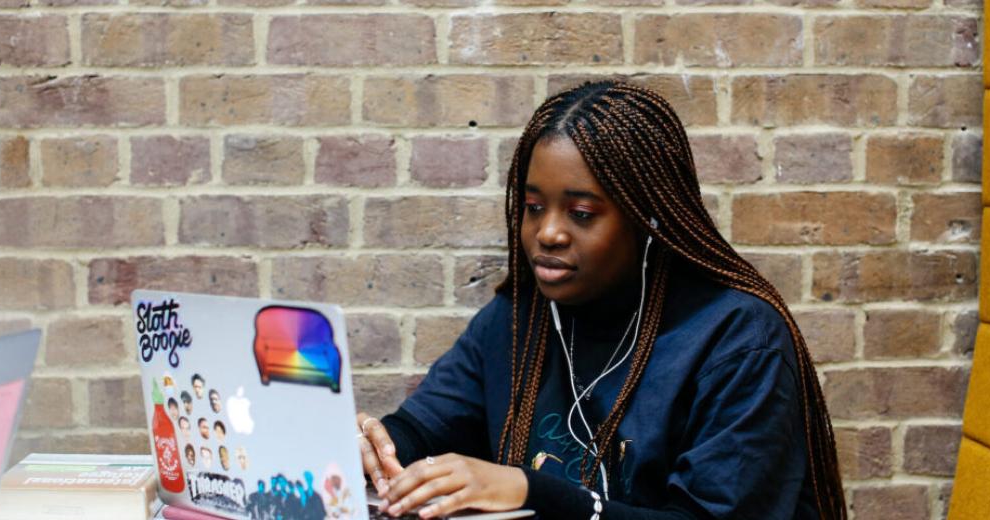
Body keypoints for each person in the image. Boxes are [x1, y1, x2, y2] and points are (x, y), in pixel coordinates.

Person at [355, 82, 845, 520]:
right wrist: (371, 447)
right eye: (532, 208)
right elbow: (422, 432)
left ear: (646, 218)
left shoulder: (737, 339)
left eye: (582, 213)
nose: (547, 232)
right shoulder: (517, 320)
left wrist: (533, 492)